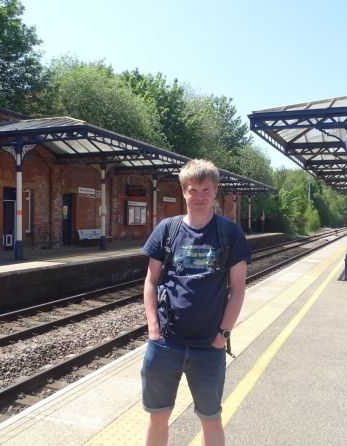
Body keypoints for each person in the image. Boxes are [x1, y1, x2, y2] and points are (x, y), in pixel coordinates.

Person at [140, 159, 252, 446]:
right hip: (165, 344)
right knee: (158, 416)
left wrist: (222, 335)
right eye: (193, 190)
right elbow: (151, 282)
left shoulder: (230, 233)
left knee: (211, 418)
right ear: (184, 192)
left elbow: (238, 289)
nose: (199, 196)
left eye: (205, 189)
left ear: (215, 192)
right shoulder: (167, 230)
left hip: (208, 347)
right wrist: (154, 329)